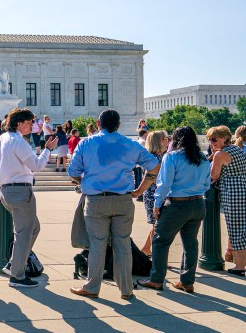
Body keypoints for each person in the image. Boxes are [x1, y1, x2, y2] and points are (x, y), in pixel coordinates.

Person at [68, 109, 160, 300]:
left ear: (98, 123)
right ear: (119, 125)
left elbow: (73, 171)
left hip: (96, 200)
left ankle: (92, 287)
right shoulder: (130, 144)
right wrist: (140, 190)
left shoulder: (86, 143)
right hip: (123, 199)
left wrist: (83, 182)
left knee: (97, 245)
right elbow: (154, 166)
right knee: (123, 245)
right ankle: (126, 289)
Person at [136, 126, 209, 293]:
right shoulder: (203, 159)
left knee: (160, 241)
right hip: (198, 203)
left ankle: (156, 279)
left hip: (177, 203)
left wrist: (157, 204)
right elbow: (206, 184)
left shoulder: (172, 157)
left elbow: (164, 184)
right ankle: (187, 281)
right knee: (190, 244)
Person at [0, 108, 57, 287]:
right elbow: (37, 165)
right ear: (19, 123)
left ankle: (15, 263)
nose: (32, 127)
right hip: (20, 191)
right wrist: (47, 150)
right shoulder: (19, 142)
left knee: (33, 228)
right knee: (24, 233)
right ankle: (17, 276)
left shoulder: (1, 140)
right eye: (29, 123)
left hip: (5, 190)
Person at [208, 125, 246, 275]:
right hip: (243, 186)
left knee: (235, 229)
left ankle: (240, 266)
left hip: (232, 191)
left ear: (224, 137)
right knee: (243, 228)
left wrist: (213, 157)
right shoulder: (237, 149)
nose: (212, 143)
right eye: (210, 140)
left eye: (214, 139)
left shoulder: (220, 154)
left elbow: (214, 175)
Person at [136, 130, 169, 256]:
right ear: (159, 141)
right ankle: (156, 255)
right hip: (155, 194)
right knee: (159, 225)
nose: (168, 140)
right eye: (166, 138)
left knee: (157, 225)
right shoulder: (157, 158)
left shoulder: (154, 156)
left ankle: (146, 249)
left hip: (152, 193)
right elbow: (156, 180)